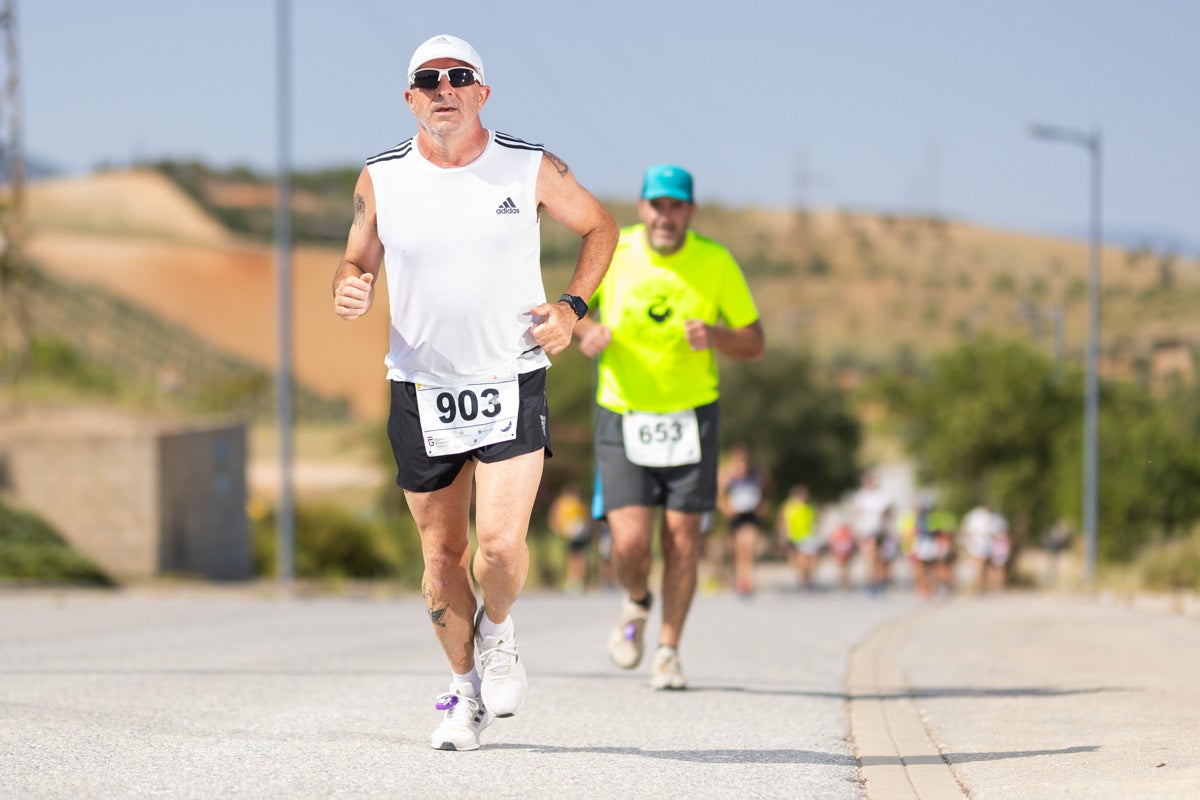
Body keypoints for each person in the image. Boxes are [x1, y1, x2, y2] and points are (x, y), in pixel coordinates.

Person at [331, 34, 618, 751]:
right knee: (440, 557)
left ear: (483, 92)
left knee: (498, 547)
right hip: (421, 386)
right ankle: (464, 695)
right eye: (427, 80)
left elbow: (601, 227)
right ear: (410, 99)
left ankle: (501, 629)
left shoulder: (529, 166)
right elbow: (356, 255)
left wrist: (571, 307)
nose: (443, 88)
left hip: (510, 376)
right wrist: (350, 283)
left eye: (459, 77)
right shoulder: (380, 178)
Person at [574, 163, 765, 690]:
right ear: (642, 208)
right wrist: (585, 332)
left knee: (683, 540)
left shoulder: (715, 262)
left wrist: (718, 337)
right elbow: (571, 312)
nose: (665, 214)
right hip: (623, 412)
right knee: (631, 543)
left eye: (675, 205)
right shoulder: (614, 251)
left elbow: (756, 341)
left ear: (690, 212)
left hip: (691, 416)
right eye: (656, 204)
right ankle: (636, 601)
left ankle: (668, 651)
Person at [718, 441, 769, 596]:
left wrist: (763, 506)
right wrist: (727, 509)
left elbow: (767, 490)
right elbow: (719, 495)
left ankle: (749, 580)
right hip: (735, 514)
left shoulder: (757, 472)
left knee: (748, 543)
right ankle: (740, 579)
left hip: (751, 513)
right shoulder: (726, 472)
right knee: (738, 549)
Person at [548, 483, 591, 595]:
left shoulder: (580, 503)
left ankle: (578, 582)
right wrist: (558, 529)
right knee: (571, 558)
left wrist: (586, 528)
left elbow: (586, 518)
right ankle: (572, 581)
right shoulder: (562, 503)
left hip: (580, 534)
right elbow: (555, 517)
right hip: (567, 534)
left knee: (579, 557)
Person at [778, 484, 819, 591]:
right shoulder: (788, 507)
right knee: (798, 562)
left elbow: (814, 522)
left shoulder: (809, 507)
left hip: (807, 537)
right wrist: (783, 533)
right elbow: (782, 521)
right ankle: (804, 581)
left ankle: (808, 581)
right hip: (793, 537)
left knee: (808, 562)